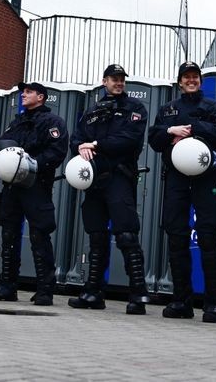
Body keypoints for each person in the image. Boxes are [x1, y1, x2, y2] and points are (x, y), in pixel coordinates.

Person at [147, 61, 216, 323]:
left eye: (195, 76)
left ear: (200, 80)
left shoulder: (214, 107)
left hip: (205, 180)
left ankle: (213, 304)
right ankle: (181, 301)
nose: (191, 80)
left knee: (209, 238)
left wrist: (194, 129)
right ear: (180, 81)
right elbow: (154, 139)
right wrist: (169, 130)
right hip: (175, 179)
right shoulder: (168, 110)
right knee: (176, 238)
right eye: (186, 77)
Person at [68, 64, 150, 314]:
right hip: (93, 180)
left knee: (126, 235)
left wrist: (95, 144)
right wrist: (81, 145)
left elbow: (129, 139)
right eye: (114, 79)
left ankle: (138, 295)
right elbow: (75, 140)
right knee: (95, 236)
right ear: (104, 81)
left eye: (122, 79)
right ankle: (93, 292)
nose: (119, 83)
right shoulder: (92, 111)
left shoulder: (134, 108)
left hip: (119, 178)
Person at [0, 82, 69, 306]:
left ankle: (45, 290)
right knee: (9, 235)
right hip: (12, 187)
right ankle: (7, 286)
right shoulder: (16, 123)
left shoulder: (53, 122)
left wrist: (29, 164)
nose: (24, 94)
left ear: (41, 97)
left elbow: (56, 152)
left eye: (29, 92)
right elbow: (3, 148)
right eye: (23, 91)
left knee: (39, 236)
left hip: (36, 186)